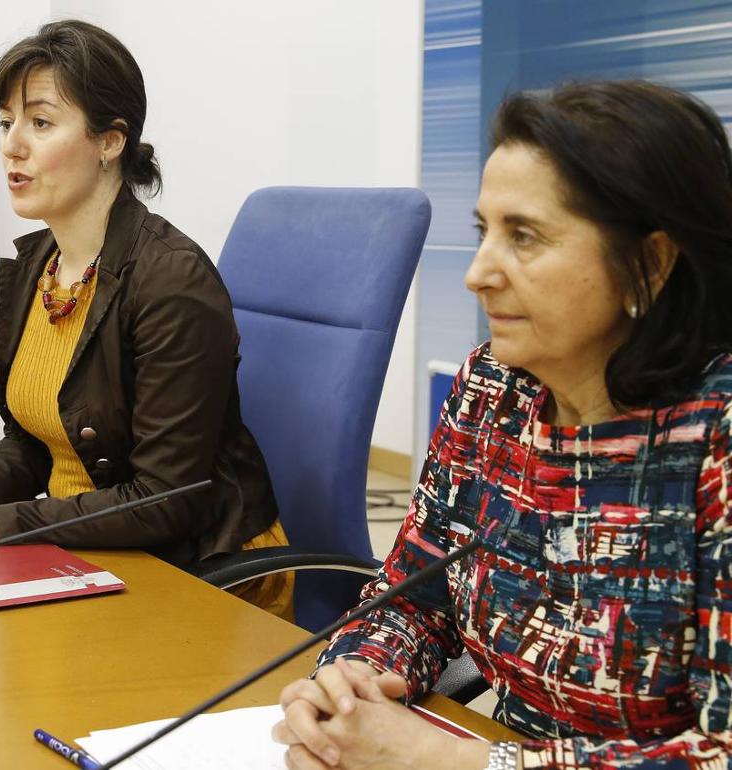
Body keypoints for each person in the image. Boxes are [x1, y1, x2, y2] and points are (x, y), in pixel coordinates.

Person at [274, 79, 732, 769]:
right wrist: (351, 684)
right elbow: (410, 599)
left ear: (650, 262)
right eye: (484, 232)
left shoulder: (714, 438)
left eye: (524, 237)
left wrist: (460, 764)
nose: (479, 273)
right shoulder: (492, 391)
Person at [0, 20, 290, 614]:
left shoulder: (171, 282)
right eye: (7, 123)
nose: (11, 145)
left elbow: (164, 499)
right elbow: (32, 446)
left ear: (110, 141)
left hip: (202, 572)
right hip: (87, 552)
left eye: (41, 122)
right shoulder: (39, 267)